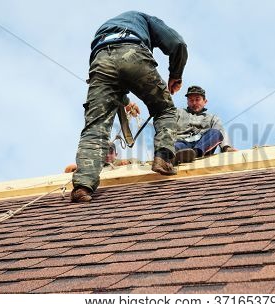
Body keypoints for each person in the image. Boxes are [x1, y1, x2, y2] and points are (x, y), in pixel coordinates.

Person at [71, 11, 188, 203]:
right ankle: (163, 159)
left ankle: (82, 185)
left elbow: (113, 75)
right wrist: (176, 75)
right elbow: (178, 44)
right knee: (164, 109)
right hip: (132, 51)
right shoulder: (147, 20)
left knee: (95, 127)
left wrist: (126, 103)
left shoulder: (106, 27)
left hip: (100, 60)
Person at [174, 85, 237, 164]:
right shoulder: (178, 113)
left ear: (205, 101)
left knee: (216, 132)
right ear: (187, 102)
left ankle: (194, 154)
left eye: (197, 99)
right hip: (182, 143)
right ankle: (174, 157)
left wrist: (226, 147)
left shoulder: (212, 118)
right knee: (174, 147)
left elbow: (220, 131)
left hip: (203, 146)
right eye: (191, 100)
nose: (194, 103)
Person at [65, 142, 131, 173]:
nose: (107, 155)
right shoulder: (95, 164)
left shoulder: (120, 163)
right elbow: (68, 169)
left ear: (116, 154)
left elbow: (138, 162)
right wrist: (77, 167)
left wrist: (129, 162)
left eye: (111, 152)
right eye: (104, 152)